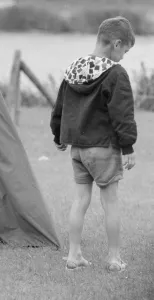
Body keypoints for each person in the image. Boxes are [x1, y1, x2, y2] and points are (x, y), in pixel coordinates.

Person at [50, 16, 137, 272]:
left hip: (77, 150)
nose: (124, 57)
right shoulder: (115, 73)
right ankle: (113, 258)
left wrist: (58, 135)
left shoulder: (73, 68)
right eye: (125, 51)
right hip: (103, 148)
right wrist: (128, 146)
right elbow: (122, 113)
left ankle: (73, 255)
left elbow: (60, 108)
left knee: (80, 201)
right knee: (110, 202)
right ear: (116, 44)